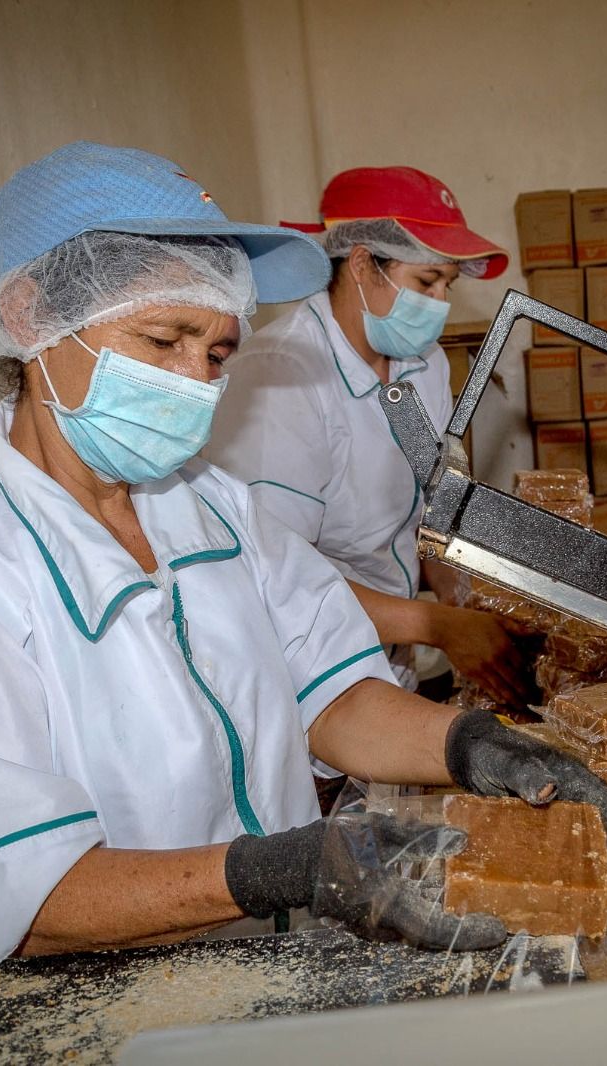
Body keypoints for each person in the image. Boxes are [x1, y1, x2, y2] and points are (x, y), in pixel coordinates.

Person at [0, 142, 607, 1037]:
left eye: (218, 352)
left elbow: (332, 696)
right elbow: (23, 901)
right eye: (163, 341)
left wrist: (475, 746)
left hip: (274, 987)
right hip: (107, 1028)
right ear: (31, 317)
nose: (196, 381)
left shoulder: (213, 507)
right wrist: (289, 869)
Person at [205, 167, 532, 705]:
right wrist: (438, 625)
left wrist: (462, 601)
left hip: (390, 657)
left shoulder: (424, 365)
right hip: (306, 677)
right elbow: (277, 575)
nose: (440, 302)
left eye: (447, 285)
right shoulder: (282, 376)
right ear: (361, 264)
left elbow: (431, 508)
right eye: (427, 282)